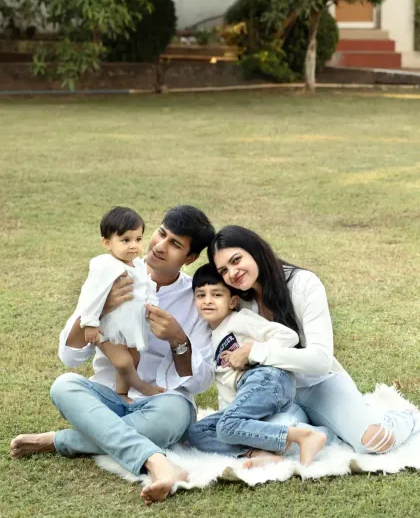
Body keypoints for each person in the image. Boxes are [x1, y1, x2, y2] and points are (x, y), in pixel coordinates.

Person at [10, 205, 216, 505]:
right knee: (64, 386)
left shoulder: (198, 298)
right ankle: (157, 461)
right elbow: (70, 356)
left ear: (190, 258)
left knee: (175, 415)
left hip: (161, 402)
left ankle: (61, 441)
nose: (159, 246)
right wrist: (99, 310)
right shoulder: (110, 273)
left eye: (175, 244)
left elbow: (199, 382)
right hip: (108, 398)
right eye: (161, 234)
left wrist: (178, 340)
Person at [206, 225, 420, 456]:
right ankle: (324, 431)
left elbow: (320, 361)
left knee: (374, 441)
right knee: (270, 439)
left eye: (237, 260)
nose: (233, 273)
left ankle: (406, 417)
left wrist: (255, 352)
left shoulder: (303, 283)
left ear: (255, 251)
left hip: (318, 383)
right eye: (224, 271)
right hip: (275, 393)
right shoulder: (238, 303)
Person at [188, 264, 327, 467]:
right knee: (198, 432)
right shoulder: (209, 338)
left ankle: (302, 436)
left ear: (232, 301)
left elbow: (288, 336)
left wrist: (251, 352)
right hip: (249, 390)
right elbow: (225, 384)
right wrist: (230, 413)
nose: (208, 301)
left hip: (269, 378)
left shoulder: (239, 320)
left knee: (227, 426)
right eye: (201, 295)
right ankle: (256, 452)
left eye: (216, 295)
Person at [77, 206, 164, 397]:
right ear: (107, 243)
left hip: (130, 325)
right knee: (123, 362)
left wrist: (152, 304)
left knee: (134, 357)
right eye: (125, 240)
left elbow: (147, 286)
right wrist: (90, 323)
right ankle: (142, 387)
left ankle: (122, 393)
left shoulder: (139, 265)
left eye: (138, 239)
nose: (133, 245)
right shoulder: (106, 266)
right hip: (107, 327)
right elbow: (92, 294)